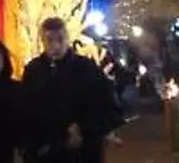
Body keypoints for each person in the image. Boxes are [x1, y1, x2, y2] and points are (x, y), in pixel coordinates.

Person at [20, 17, 123, 163]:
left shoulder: (87, 68)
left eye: (60, 39)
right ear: (42, 41)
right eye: (49, 40)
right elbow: (27, 112)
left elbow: (108, 107)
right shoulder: (33, 71)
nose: (56, 46)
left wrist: (84, 129)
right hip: (47, 152)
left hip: (84, 152)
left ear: (67, 38)